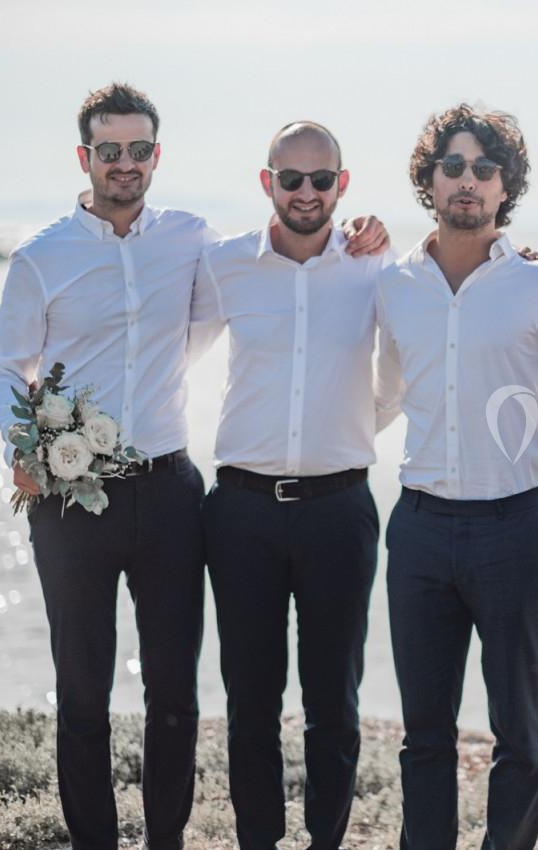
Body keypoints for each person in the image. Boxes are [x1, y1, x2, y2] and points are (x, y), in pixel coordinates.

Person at [0, 83, 385, 850]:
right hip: (70, 500)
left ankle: (166, 840)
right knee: (82, 693)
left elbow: (240, 296)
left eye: (140, 150)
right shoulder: (42, 256)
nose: (126, 164)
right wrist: (24, 449)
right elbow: (6, 364)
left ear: (155, 155)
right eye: (111, 151)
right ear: (87, 158)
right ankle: (94, 842)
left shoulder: (190, 238)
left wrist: (371, 235)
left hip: (172, 491)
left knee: (176, 695)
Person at [376, 103, 538, 850]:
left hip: (513, 530)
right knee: (424, 733)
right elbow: (382, 397)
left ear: (504, 185)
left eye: (485, 169)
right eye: (452, 165)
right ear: (430, 178)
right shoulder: (392, 285)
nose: (468, 181)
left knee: (518, 727)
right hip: (417, 529)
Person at [191, 122, 391, 850]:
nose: (306, 193)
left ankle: (326, 841)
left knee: (334, 705)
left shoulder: (377, 265)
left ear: (343, 183)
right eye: (291, 178)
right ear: (266, 181)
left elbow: (419, 345)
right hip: (240, 511)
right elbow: (160, 345)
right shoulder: (224, 266)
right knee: (249, 703)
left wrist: (359, 423)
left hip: (340, 509)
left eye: (321, 179)